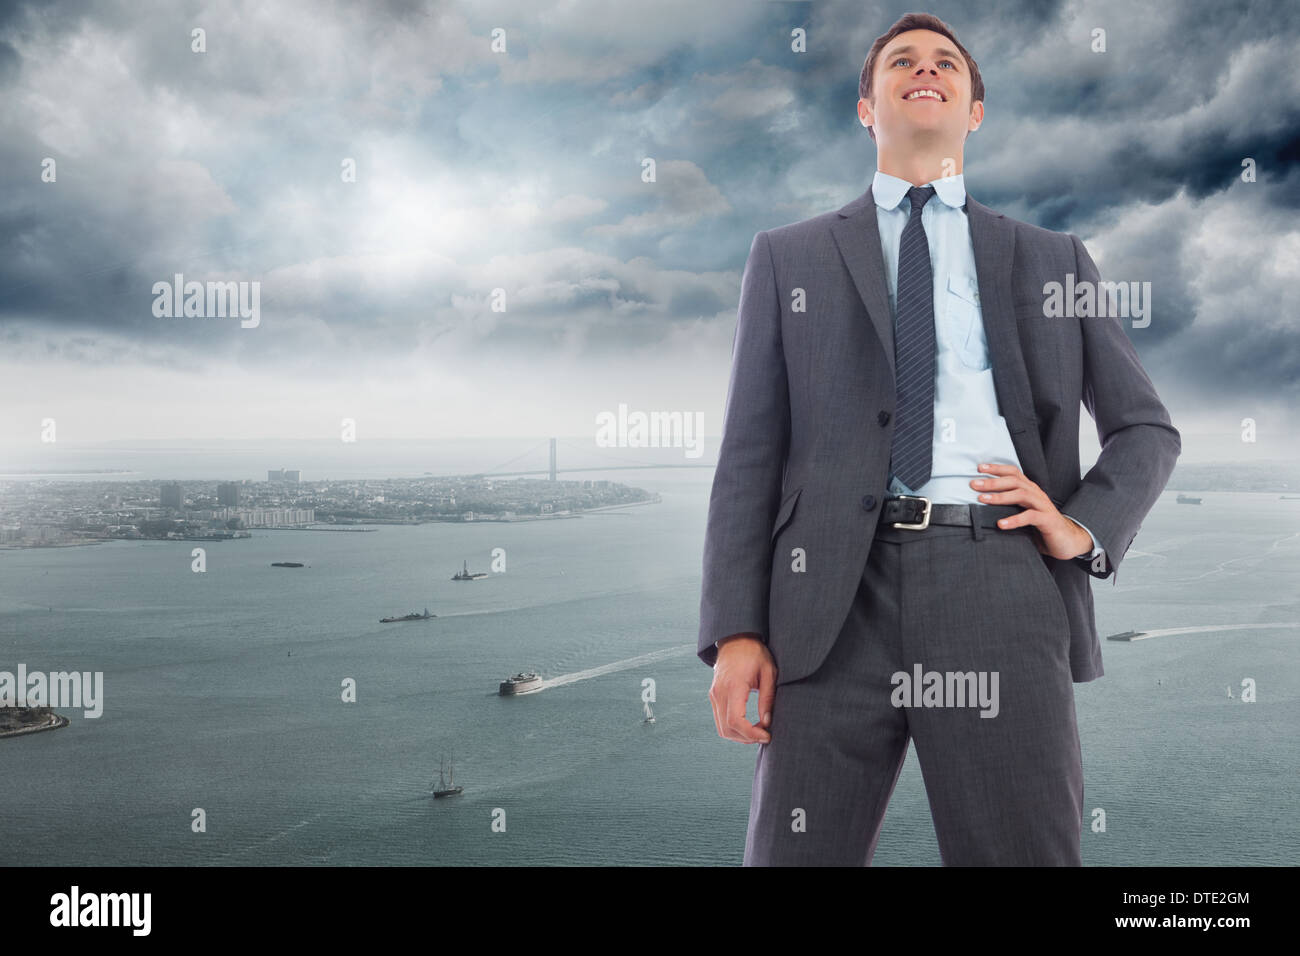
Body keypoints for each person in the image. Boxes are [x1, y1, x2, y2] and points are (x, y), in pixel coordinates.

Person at [698, 12, 1180, 865]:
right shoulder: (787, 258)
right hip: (826, 608)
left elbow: (1145, 428)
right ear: (864, 106)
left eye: (947, 63)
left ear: (975, 109)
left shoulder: (1055, 259)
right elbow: (748, 456)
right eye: (902, 62)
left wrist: (1083, 526)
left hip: (999, 585)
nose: (926, 70)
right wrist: (737, 629)